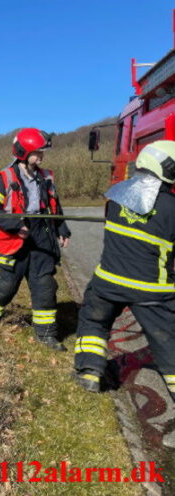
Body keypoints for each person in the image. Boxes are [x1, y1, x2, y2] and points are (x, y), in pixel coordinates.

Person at [74, 140, 175, 395]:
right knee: (167, 343)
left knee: (93, 321)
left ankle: (89, 371)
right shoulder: (172, 208)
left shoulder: (117, 197)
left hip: (107, 282)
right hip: (152, 291)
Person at [0, 128, 71, 351]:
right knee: (7, 286)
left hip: (41, 235)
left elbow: (54, 205)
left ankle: (46, 333)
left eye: (42, 153)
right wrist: (15, 225)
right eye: (37, 153)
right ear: (22, 152)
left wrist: (61, 228)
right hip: (15, 237)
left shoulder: (46, 176)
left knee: (45, 285)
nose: (41, 157)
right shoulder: (4, 178)